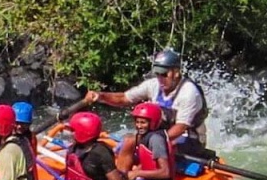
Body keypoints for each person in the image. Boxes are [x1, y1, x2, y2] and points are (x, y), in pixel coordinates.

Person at [79, 49, 209, 153]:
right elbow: (124, 98)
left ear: (176, 73)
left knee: (142, 145)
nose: (160, 78)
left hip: (190, 139)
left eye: (164, 74)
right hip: (160, 135)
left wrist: (149, 141)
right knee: (129, 141)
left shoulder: (189, 93)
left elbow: (180, 128)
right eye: (157, 74)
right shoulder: (153, 85)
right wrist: (101, 96)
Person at [44, 111, 131, 180]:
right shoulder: (73, 148)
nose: (71, 133)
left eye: (73, 130)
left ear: (83, 132)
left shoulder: (100, 152)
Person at [116, 102, 175, 180]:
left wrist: (137, 173)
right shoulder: (144, 137)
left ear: (153, 123)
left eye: (143, 123)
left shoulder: (156, 140)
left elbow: (165, 172)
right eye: (137, 122)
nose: (139, 126)